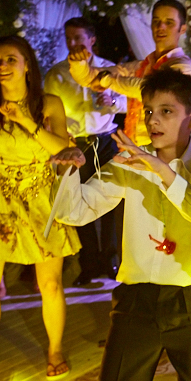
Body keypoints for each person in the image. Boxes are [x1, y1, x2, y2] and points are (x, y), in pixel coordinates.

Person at [51, 70, 191, 381]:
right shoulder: (129, 164)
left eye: (166, 111)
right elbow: (75, 212)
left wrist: (161, 171)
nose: (153, 120)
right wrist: (67, 171)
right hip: (136, 301)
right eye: (149, 111)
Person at [0, 36, 79, 378]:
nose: (2, 66)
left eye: (10, 59)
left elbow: (62, 149)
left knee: (50, 284)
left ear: (26, 64)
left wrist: (26, 121)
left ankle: (55, 350)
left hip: (41, 194)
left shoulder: (49, 103)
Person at [45, 17, 126, 285]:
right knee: (78, 200)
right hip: (76, 142)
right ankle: (89, 263)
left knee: (113, 199)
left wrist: (112, 99)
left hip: (106, 139)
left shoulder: (110, 69)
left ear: (91, 39)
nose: (73, 43)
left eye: (78, 38)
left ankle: (111, 258)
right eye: (68, 38)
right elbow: (49, 112)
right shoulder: (57, 73)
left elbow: (128, 101)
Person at [69, 0, 191, 145]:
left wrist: (107, 80)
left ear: (182, 29)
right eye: (156, 21)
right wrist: (78, 62)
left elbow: (151, 90)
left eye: (169, 22)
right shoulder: (142, 66)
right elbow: (89, 78)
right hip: (135, 148)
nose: (161, 26)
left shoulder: (184, 67)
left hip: (163, 152)